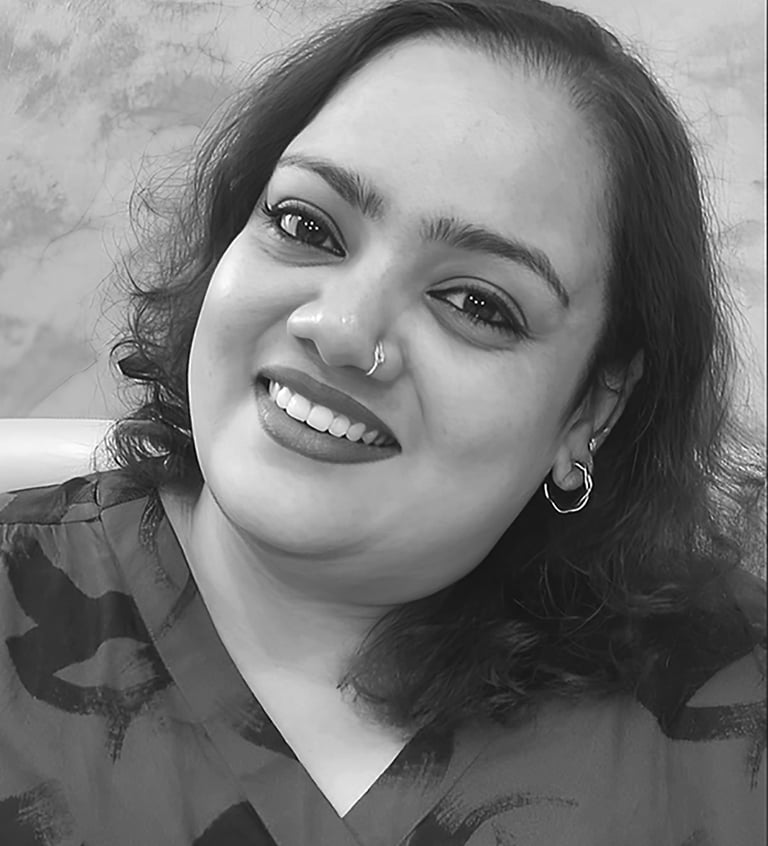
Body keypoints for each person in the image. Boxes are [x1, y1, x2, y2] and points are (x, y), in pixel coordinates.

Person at [1, 0, 765, 843]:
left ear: (591, 407)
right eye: (305, 225)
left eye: (477, 303)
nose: (341, 329)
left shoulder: (736, 711)